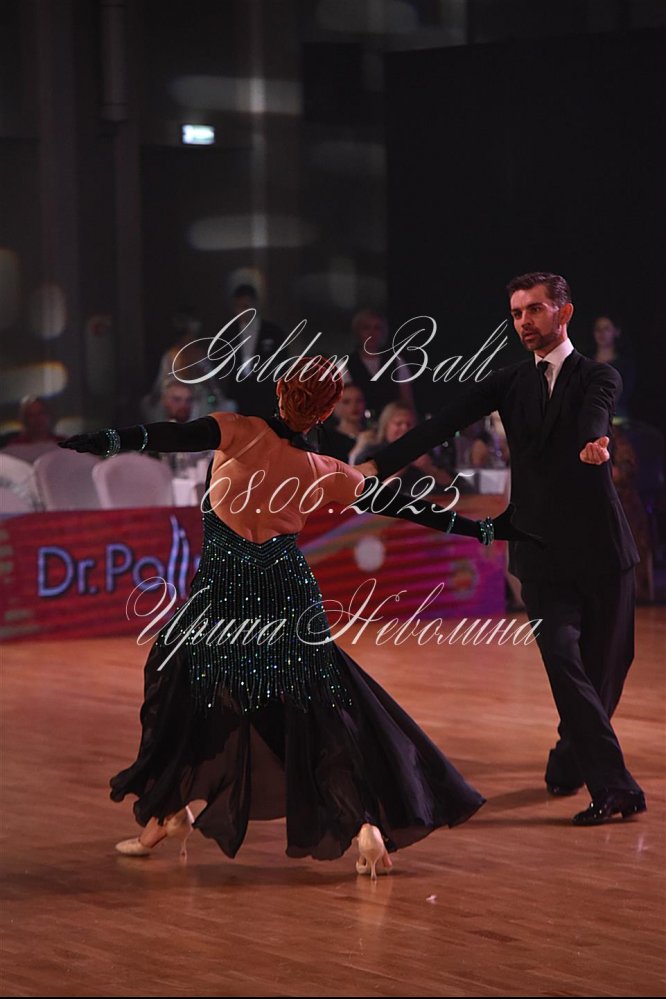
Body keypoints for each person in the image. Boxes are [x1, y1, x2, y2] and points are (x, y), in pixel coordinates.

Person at [60, 356, 537, 875]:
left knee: (183, 684)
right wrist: (482, 529)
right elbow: (404, 505)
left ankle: (167, 812)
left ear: (281, 390)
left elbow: (168, 436)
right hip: (286, 591)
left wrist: (110, 440)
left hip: (225, 594)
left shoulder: (237, 430)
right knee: (309, 711)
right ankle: (362, 827)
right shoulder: (322, 470)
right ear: (326, 412)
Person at [359, 273, 645, 826]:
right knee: (564, 662)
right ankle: (616, 788)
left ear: (563, 313)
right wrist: (376, 465)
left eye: (534, 310)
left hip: (603, 551)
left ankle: (570, 758)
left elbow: (596, 412)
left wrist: (596, 441)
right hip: (540, 551)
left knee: (604, 676)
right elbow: (442, 423)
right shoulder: (508, 383)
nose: (523, 322)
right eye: (516, 313)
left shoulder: (597, 375)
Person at [352, 401, 454, 495]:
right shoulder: (371, 454)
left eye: (409, 424)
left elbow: (452, 484)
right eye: (398, 424)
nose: (404, 428)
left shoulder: (424, 450)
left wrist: (429, 468)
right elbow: (366, 493)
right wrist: (401, 466)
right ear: (386, 426)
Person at [346, 309, 414, 420]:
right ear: (357, 332)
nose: (372, 333)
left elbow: (407, 400)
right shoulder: (346, 364)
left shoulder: (396, 361)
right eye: (366, 328)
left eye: (377, 328)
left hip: (391, 423)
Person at [591, 315, 636, 419]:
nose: (601, 333)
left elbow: (625, 394)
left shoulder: (624, 365)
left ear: (616, 332)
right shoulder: (585, 362)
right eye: (598, 329)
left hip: (615, 416)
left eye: (606, 329)